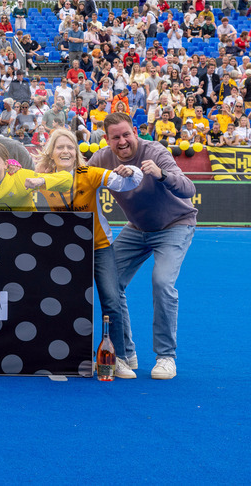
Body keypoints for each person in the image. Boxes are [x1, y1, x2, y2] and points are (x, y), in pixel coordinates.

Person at [87, 112, 197, 380]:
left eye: (126, 134)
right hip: (137, 228)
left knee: (162, 282)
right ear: (107, 140)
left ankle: (166, 357)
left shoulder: (155, 151)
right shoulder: (101, 158)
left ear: (135, 132)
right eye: (115, 137)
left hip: (175, 225)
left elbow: (189, 189)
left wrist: (161, 174)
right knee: (110, 282)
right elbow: (76, 177)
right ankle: (124, 354)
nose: (122, 141)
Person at [34, 128, 144, 377]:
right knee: (66, 302)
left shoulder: (88, 173)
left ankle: (118, 358)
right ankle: (68, 356)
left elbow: (128, 182)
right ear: (51, 153)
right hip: (64, 251)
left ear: (76, 152)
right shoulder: (42, 179)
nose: (65, 151)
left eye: (70, 147)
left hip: (98, 246)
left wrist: (131, 171)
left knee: (111, 300)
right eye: (60, 147)